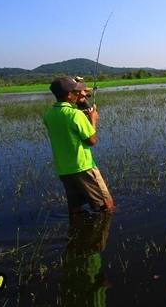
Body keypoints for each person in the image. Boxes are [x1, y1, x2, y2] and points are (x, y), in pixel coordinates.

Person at [44, 76, 115, 214]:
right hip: (83, 167)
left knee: (76, 208)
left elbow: (67, 131)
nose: (78, 94)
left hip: (64, 170)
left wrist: (84, 116)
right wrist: (93, 120)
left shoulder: (49, 115)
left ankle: (77, 233)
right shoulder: (75, 115)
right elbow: (92, 140)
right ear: (68, 95)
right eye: (75, 92)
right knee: (107, 206)